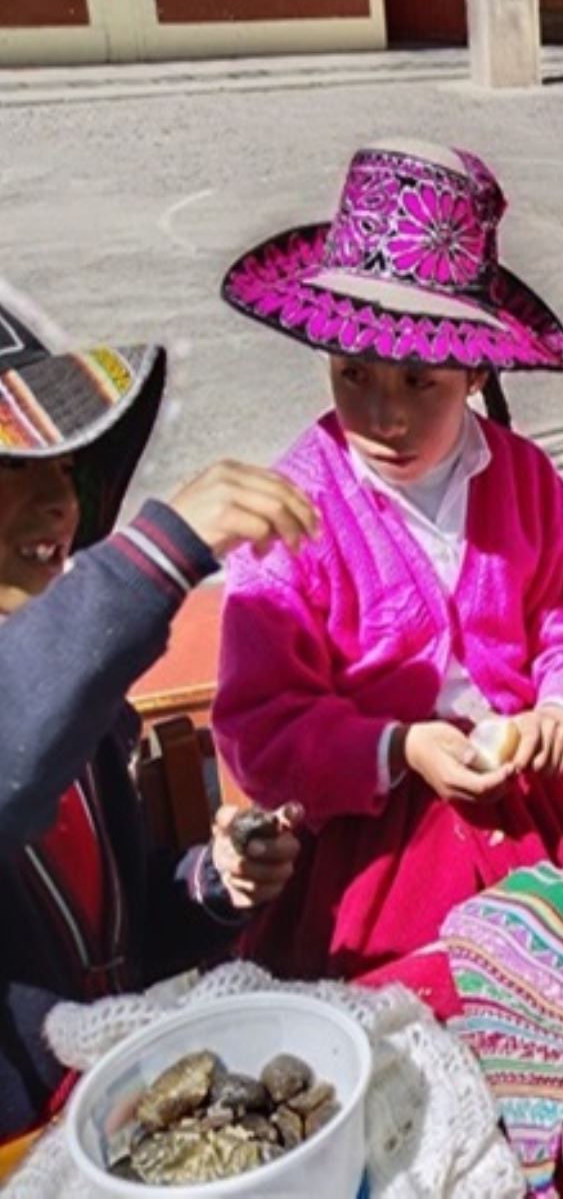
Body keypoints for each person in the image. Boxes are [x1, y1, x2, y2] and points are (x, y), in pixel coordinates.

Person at [211, 142, 563, 980]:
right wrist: (399, 747)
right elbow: (262, 723)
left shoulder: (526, 480)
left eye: (418, 383)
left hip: (538, 816)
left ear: (475, 369)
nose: (382, 415)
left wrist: (557, 715)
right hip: (373, 853)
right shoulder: (292, 513)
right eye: (354, 373)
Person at [0, 295, 304, 1138]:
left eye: (63, 470)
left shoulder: (84, 705)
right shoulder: (42, 690)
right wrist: (166, 547)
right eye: (11, 470)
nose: (58, 503)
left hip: (114, 1111)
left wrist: (214, 881)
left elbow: (126, 935)